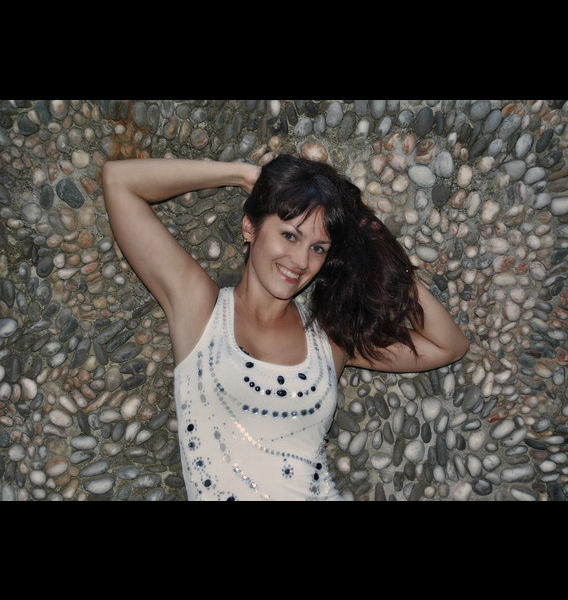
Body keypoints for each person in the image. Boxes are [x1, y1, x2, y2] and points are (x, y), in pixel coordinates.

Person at [102, 154, 469, 501]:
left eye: (318, 248)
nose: (300, 261)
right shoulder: (201, 310)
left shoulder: (329, 340)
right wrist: (242, 174)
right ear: (250, 226)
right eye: (290, 236)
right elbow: (120, 181)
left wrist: (378, 244)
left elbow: (447, 346)